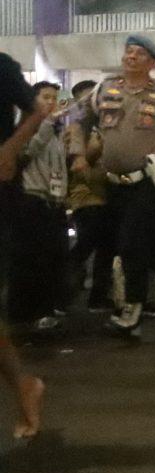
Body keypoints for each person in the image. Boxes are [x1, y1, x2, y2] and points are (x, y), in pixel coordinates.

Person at [67, 35, 155, 338]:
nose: (131, 57)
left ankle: (133, 310)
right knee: (147, 244)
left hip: (148, 180)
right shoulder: (105, 88)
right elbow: (77, 119)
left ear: (152, 62)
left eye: (139, 54)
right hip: (114, 184)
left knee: (129, 243)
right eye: (128, 52)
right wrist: (77, 154)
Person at [0, 54, 47, 438]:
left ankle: (24, 386)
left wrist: (11, 148)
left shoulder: (1, 66)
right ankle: (23, 386)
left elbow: (35, 111)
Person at [11, 82, 70, 332]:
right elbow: (25, 152)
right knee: (34, 259)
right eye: (46, 97)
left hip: (54, 200)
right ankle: (32, 311)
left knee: (55, 257)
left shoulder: (55, 131)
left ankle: (48, 306)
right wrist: (45, 126)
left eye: (54, 98)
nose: (51, 102)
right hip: (31, 198)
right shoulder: (25, 127)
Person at [66, 80, 115, 312]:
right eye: (87, 99)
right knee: (85, 246)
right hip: (85, 197)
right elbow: (79, 165)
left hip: (107, 196)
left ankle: (99, 297)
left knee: (106, 248)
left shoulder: (107, 125)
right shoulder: (76, 129)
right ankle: (60, 295)